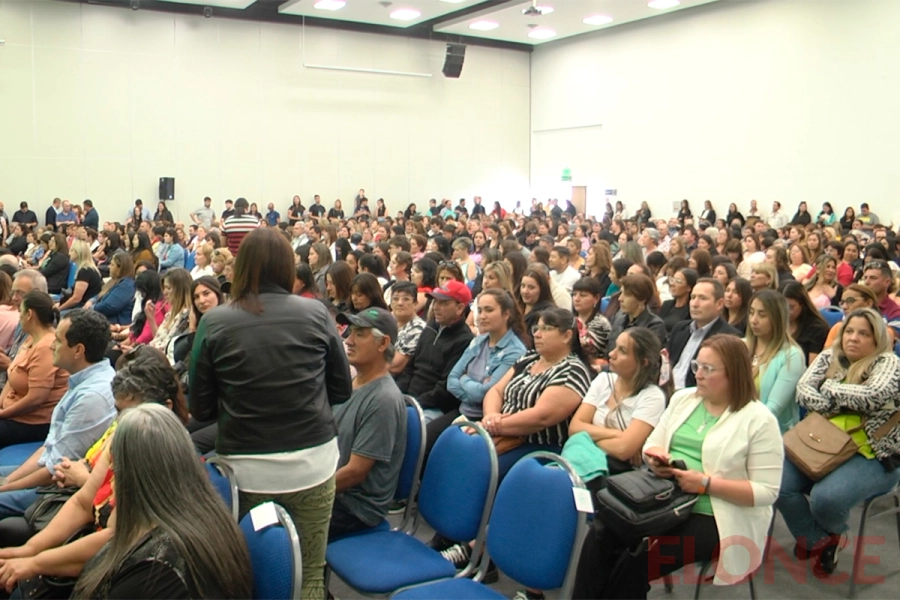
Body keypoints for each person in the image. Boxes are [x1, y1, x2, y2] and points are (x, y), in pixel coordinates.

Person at [190, 228, 351, 600]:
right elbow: (341, 390)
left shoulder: (214, 322)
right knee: (309, 572)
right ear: (287, 267)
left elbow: (201, 408)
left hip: (245, 472)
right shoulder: (317, 313)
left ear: (241, 266)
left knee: (249, 573)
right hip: (313, 463)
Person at [574, 335, 783, 598]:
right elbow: (652, 444)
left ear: (734, 374)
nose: (699, 375)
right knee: (601, 534)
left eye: (709, 369)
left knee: (638, 560)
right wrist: (656, 459)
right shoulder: (684, 399)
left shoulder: (759, 420)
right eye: (697, 366)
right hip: (665, 496)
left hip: (717, 514)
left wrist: (706, 484)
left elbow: (767, 492)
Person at [778, 308, 900, 577]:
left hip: (872, 455)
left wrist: (830, 389)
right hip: (820, 443)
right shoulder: (829, 356)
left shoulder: (888, 363)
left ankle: (825, 533)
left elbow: (873, 395)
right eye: (849, 331)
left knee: (826, 499)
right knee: (775, 481)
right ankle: (819, 540)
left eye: (863, 334)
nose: (853, 338)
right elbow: (803, 391)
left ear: (877, 339)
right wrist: (834, 400)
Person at [0, 310, 115, 520]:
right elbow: (50, 448)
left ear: (78, 350)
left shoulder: (92, 397)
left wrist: (7, 487)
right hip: (48, 471)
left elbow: (56, 469)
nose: (52, 345)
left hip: (57, 489)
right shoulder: (84, 381)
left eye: (59, 341)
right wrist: (8, 481)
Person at [329, 308, 406, 539]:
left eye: (359, 334)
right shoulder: (352, 382)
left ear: (383, 344)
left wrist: (304, 491)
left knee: (281, 522)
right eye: (350, 332)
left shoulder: (383, 399)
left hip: (355, 509)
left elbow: (355, 473)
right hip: (335, 491)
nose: (348, 340)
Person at [570, 327, 665, 477]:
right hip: (582, 462)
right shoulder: (603, 380)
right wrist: (619, 434)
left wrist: (587, 438)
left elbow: (623, 450)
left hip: (619, 477)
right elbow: (574, 428)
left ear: (643, 362)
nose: (611, 354)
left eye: (622, 351)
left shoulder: (652, 396)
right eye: (615, 347)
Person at [395, 280, 474, 424]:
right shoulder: (431, 327)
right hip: (409, 398)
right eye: (435, 301)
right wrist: (398, 395)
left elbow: (444, 390)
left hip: (433, 407)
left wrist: (413, 404)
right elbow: (410, 368)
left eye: (443, 303)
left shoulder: (464, 340)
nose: (436, 307)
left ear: (460, 308)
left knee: (403, 425)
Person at [0, 292, 68, 448]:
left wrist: (3, 414)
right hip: (14, 413)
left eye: (20, 312)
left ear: (29, 314)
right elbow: (13, 375)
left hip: (33, 422)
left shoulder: (46, 347)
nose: (19, 317)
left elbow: (36, 399)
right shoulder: (31, 339)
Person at [745, 290, 805, 433]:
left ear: (777, 318)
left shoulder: (792, 356)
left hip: (770, 434)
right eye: (751, 312)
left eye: (762, 315)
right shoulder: (741, 347)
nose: (753, 320)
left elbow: (772, 409)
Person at [668, 278, 741, 390]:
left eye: (702, 298)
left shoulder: (728, 337)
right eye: (692, 298)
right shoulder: (680, 328)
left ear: (719, 304)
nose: (695, 304)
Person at [608, 274, 667, 352]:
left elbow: (643, 358)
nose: (620, 299)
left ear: (641, 299)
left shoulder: (654, 326)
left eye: (627, 295)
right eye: (621, 293)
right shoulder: (618, 319)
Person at [783, 281, 830, 365]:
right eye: (783, 306)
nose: (787, 311)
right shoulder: (780, 323)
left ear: (803, 305)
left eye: (791, 307)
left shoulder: (817, 328)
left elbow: (812, 366)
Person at [571, 277, 611, 367]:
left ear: (596, 298)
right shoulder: (570, 319)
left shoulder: (601, 323)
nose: (576, 299)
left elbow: (586, 350)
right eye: (574, 294)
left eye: (583, 295)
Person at [389, 281, 425, 375]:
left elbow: (395, 366)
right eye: (395, 299)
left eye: (406, 299)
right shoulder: (388, 322)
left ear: (415, 304)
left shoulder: (417, 328)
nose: (400, 303)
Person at [57, 241, 102, 313]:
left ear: (78, 253)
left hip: (82, 309)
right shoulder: (87, 269)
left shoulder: (85, 271)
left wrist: (59, 309)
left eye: (72, 251)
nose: (69, 253)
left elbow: (76, 299)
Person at [657, 268, 697, 333]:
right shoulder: (667, 304)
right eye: (672, 280)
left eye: (678, 281)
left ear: (689, 288)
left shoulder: (691, 310)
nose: (672, 284)